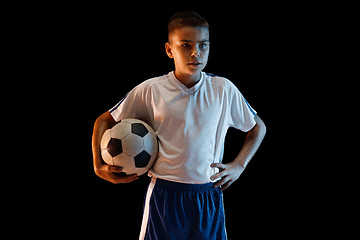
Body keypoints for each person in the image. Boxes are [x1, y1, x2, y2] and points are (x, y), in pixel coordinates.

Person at [92, 11, 266, 240]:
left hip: (208, 194)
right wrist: (97, 166)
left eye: (203, 45)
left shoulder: (223, 89)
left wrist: (239, 165)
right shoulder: (151, 90)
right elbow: (103, 121)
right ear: (169, 49)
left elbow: (257, 127)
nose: (196, 52)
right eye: (185, 45)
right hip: (165, 195)